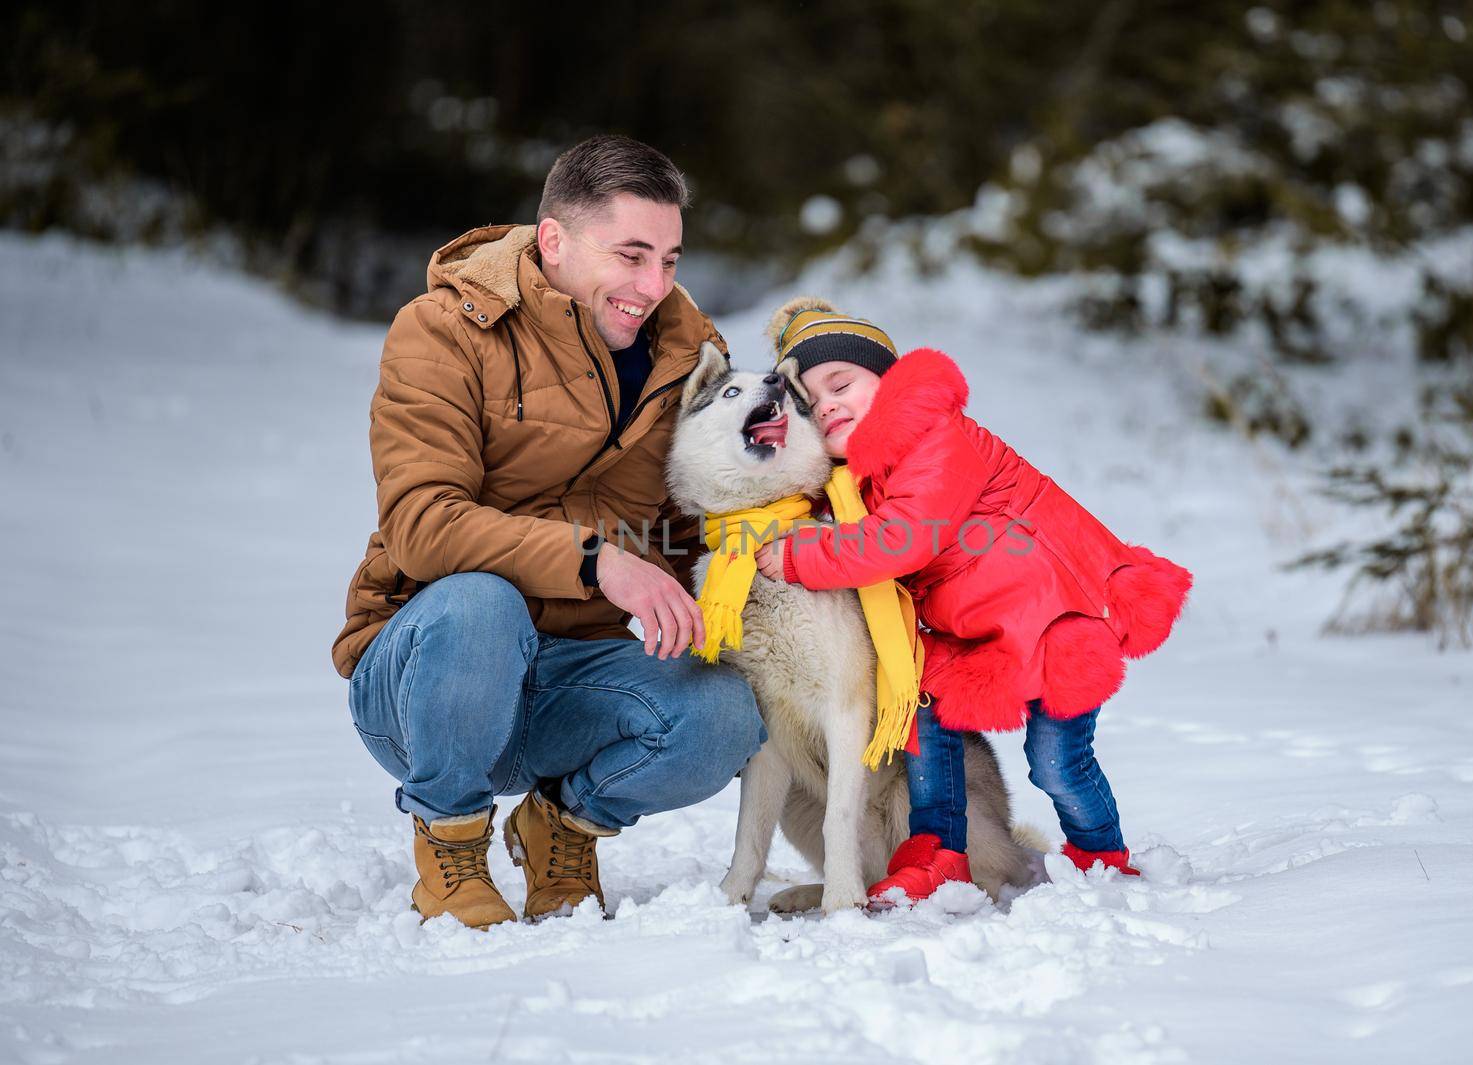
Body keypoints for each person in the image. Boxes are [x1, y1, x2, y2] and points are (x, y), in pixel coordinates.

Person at [332, 136, 764, 929]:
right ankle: (450, 841)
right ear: (554, 240)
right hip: (429, 678)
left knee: (726, 714)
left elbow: (699, 530)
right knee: (479, 604)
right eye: (631, 255)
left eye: (669, 259)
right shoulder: (444, 331)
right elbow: (423, 525)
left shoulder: (686, 357)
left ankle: (561, 826)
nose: (652, 285)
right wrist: (599, 562)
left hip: (572, 681)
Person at [753, 298, 1190, 903]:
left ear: (891, 381)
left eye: (842, 383)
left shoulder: (936, 436)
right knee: (923, 717)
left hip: (1054, 619)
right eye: (810, 399)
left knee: (1055, 762)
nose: (827, 404)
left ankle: (1101, 856)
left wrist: (800, 558)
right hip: (976, 632)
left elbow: (901, 541)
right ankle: (938, 850)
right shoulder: (863, 478)